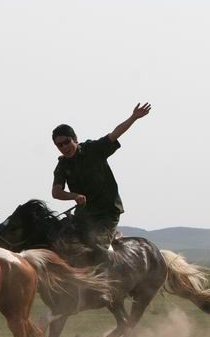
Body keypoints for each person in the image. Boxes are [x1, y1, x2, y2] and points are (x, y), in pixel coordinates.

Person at [51, 102, 152, 267]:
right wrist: (74, 196)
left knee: (97, 249)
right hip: (84, 214)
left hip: (107, 212)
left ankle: (104, 286)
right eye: (59, 145)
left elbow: (114, 134)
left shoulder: (93, 149)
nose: (64, 147)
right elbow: (56, 192)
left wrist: (133, 117)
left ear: (75, 139)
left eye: (66, 142)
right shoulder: (62, 165)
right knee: (61, 242)